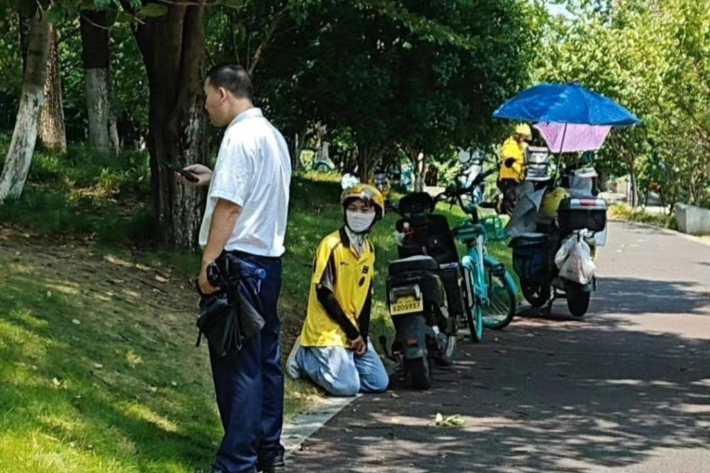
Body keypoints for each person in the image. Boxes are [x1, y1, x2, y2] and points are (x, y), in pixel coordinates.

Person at [180, 64, 291, 473]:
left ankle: (236, 462)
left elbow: (231, 206)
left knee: (237, 366)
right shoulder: (272, 137)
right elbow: (256, 189)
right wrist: (214, 178)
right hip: (268, 263)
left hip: (239, 265)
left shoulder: (239, 136)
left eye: (207, 96)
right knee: (264, 361)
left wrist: (209, 261)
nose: (206, 106)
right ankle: (268, 452)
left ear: (224, 94)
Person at [286, 184, 389, 397]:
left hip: (351, 330)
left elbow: (366, 297)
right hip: (327, 330)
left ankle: (344, 363)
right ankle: (304, 356)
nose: (358, 215)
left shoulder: (368, 250)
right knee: (348, 387)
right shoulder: (331, 245)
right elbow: (324, 293)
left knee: (379, 382)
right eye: (353, 208)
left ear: (376, 215)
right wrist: (352, 333)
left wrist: (362, 335)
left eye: (365, 210)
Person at [498, 123, 532, 191]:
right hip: (508, 178)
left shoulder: (522, 145)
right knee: (511, 199)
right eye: (523, 136)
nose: (523, 139)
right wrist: (520, 168)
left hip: (517, 179)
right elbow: (509, 160)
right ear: (518, 134)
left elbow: (525, 161)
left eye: (525, 137)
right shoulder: (509, 143)